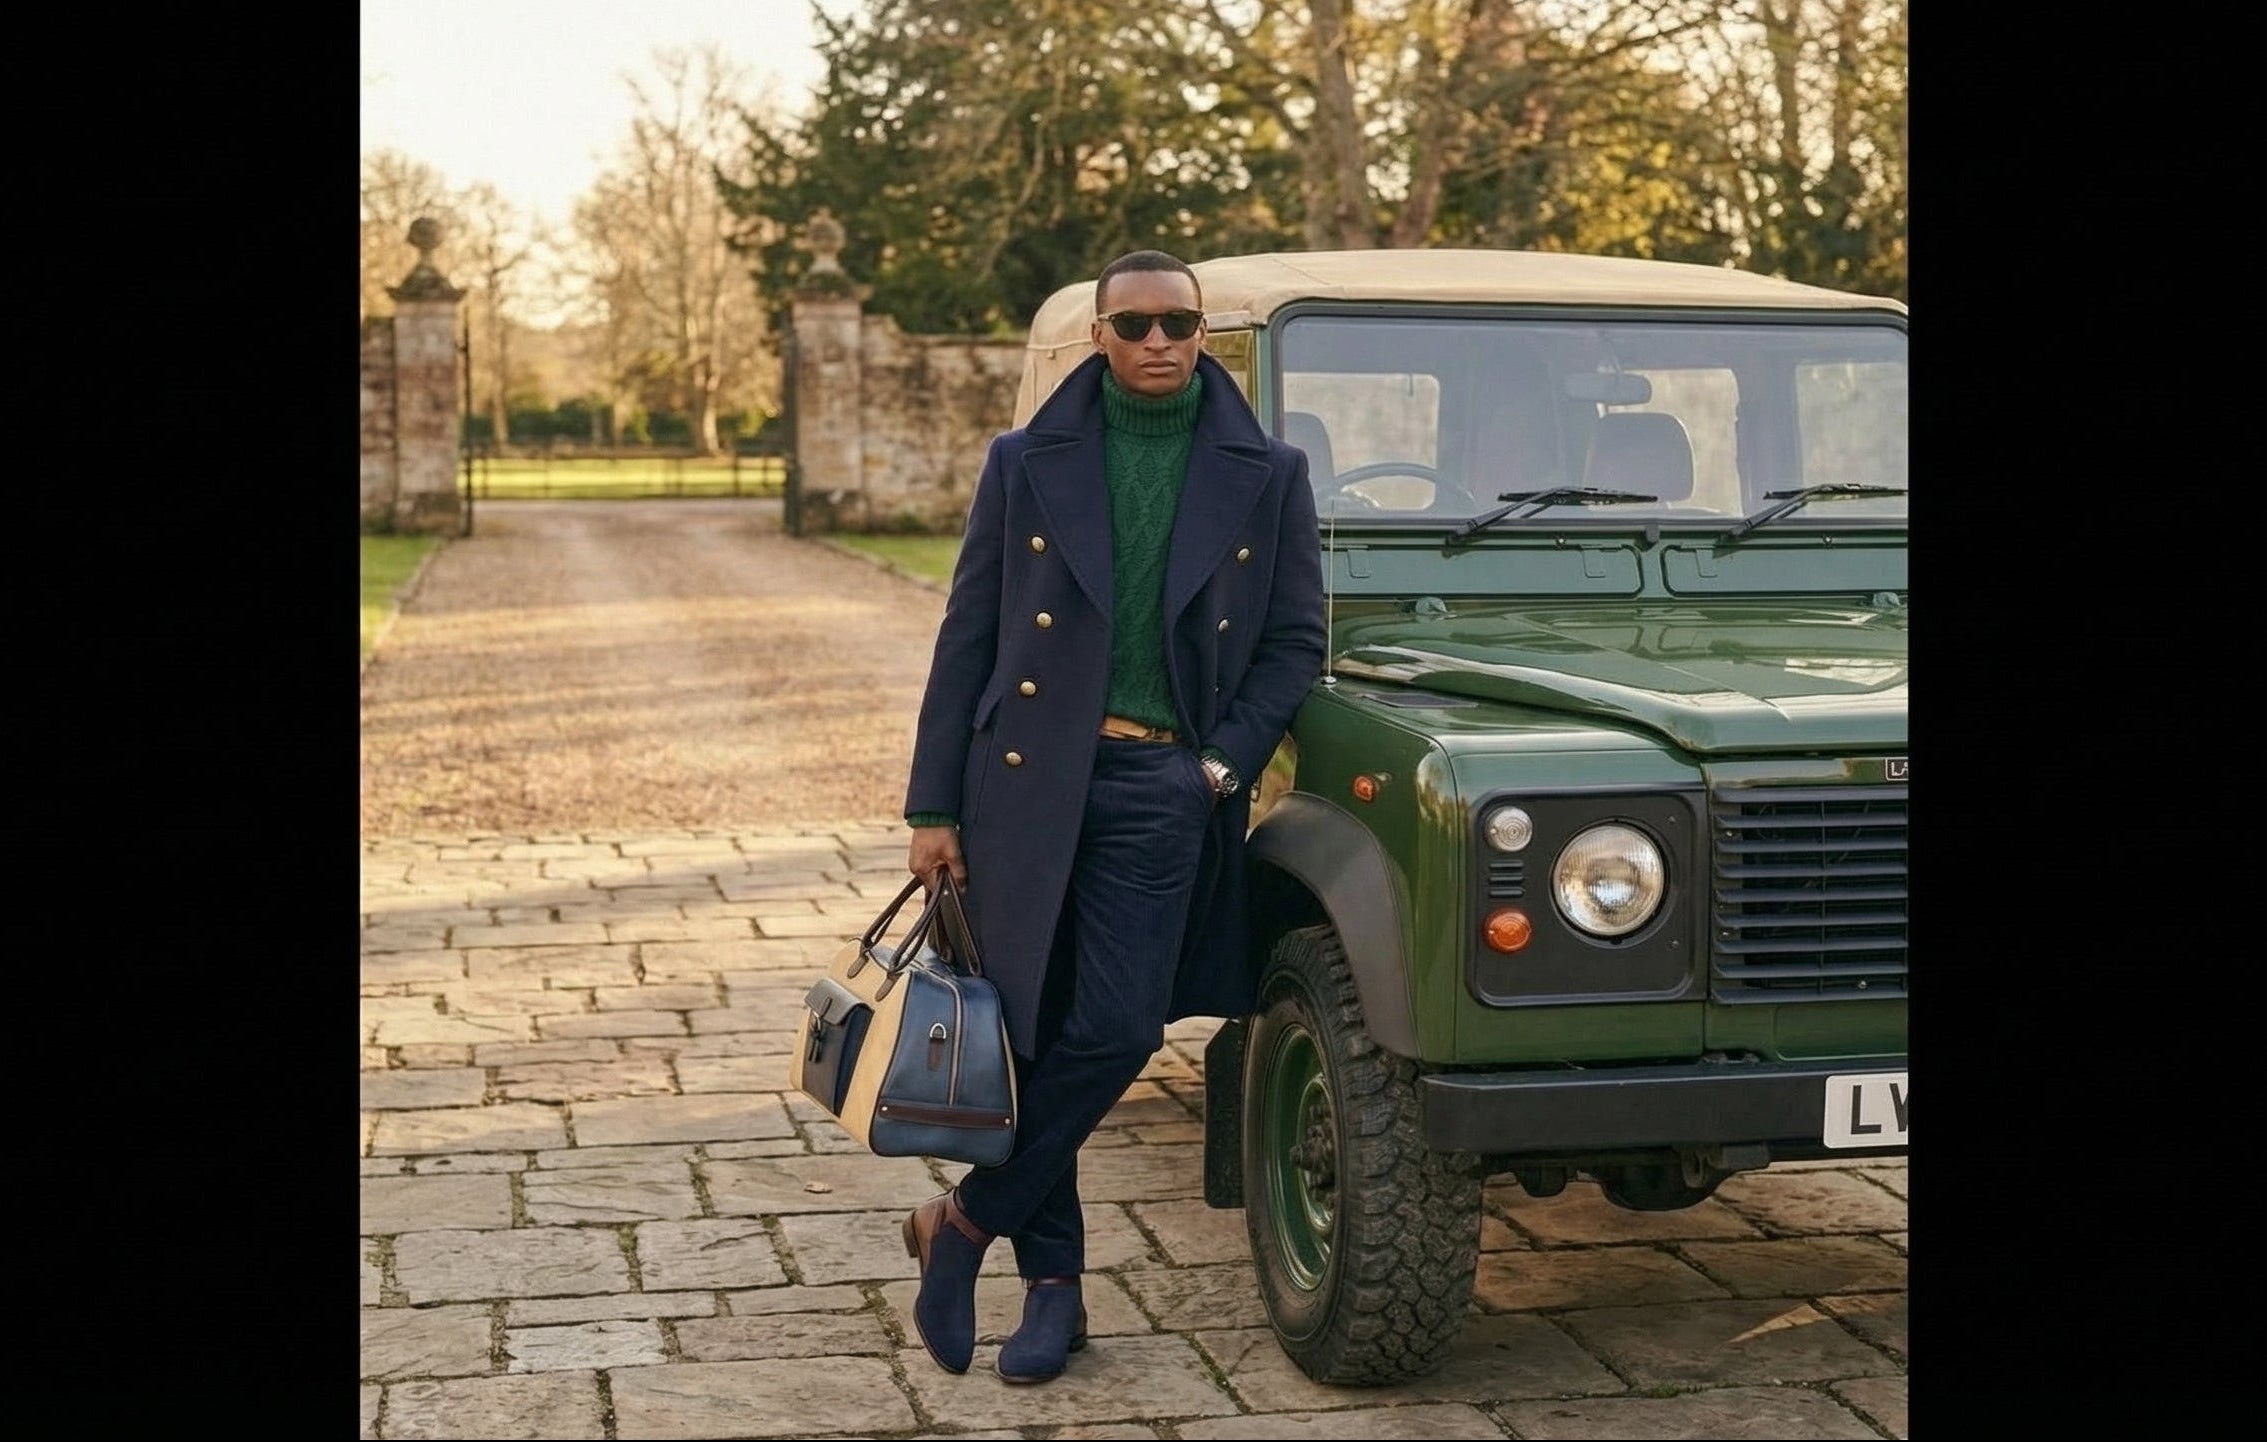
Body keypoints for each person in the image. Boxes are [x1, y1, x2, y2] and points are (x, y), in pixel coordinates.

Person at [897, 249, 1327, 1384]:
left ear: (1203, 334)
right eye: (1130, 322)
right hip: (1025, 785)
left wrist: (1220, 765)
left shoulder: (1267, 471)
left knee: (1118, 1026)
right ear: (1098, 334)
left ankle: (964, 1224)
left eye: (1174, 321)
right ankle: (1054, 1290)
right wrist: (932, 802)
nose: (1154, 340)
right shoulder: (1023, 460)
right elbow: (969, 635)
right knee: (1034, 1034)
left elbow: (1295, 641)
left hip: (1164, 784)